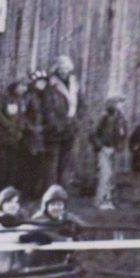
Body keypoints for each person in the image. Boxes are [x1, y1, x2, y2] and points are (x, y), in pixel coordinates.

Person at [0, 78, 33, 195]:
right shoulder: (3, 97)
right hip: (2, 139)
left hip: (14, 140)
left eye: (26, 87)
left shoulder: (21, 100)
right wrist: (9, 125)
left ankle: (8, 193)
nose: (24, 89)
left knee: (11, 169)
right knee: (0, 169)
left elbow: (22, 116)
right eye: (21, 86)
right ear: (15, 86)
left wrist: (22, 128)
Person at [48, 54, 82, 187]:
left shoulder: (74, 84)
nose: (64, 72)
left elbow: (81, 104)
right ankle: (50, 189)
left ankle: (62, 189)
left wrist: (77, 119)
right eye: (61, 69)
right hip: (56, 128)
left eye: (66, 69)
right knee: (52, 161)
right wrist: (56, 124)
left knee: (66, 160)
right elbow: (48, 107)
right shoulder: (51, 85)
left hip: (71, 126)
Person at [90, 97, 128, 209]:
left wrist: (120, 146)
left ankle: (109, 200)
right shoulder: (104, 117)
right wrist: (101, 147)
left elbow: (123, 135)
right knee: (104, 175)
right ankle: (100, 200)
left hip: (115, 150)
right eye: (119, 103)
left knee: (112, 176)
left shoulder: (122, 119)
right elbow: (93, 134)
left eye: (122, 103)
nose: (121, 106)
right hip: (104, 149)